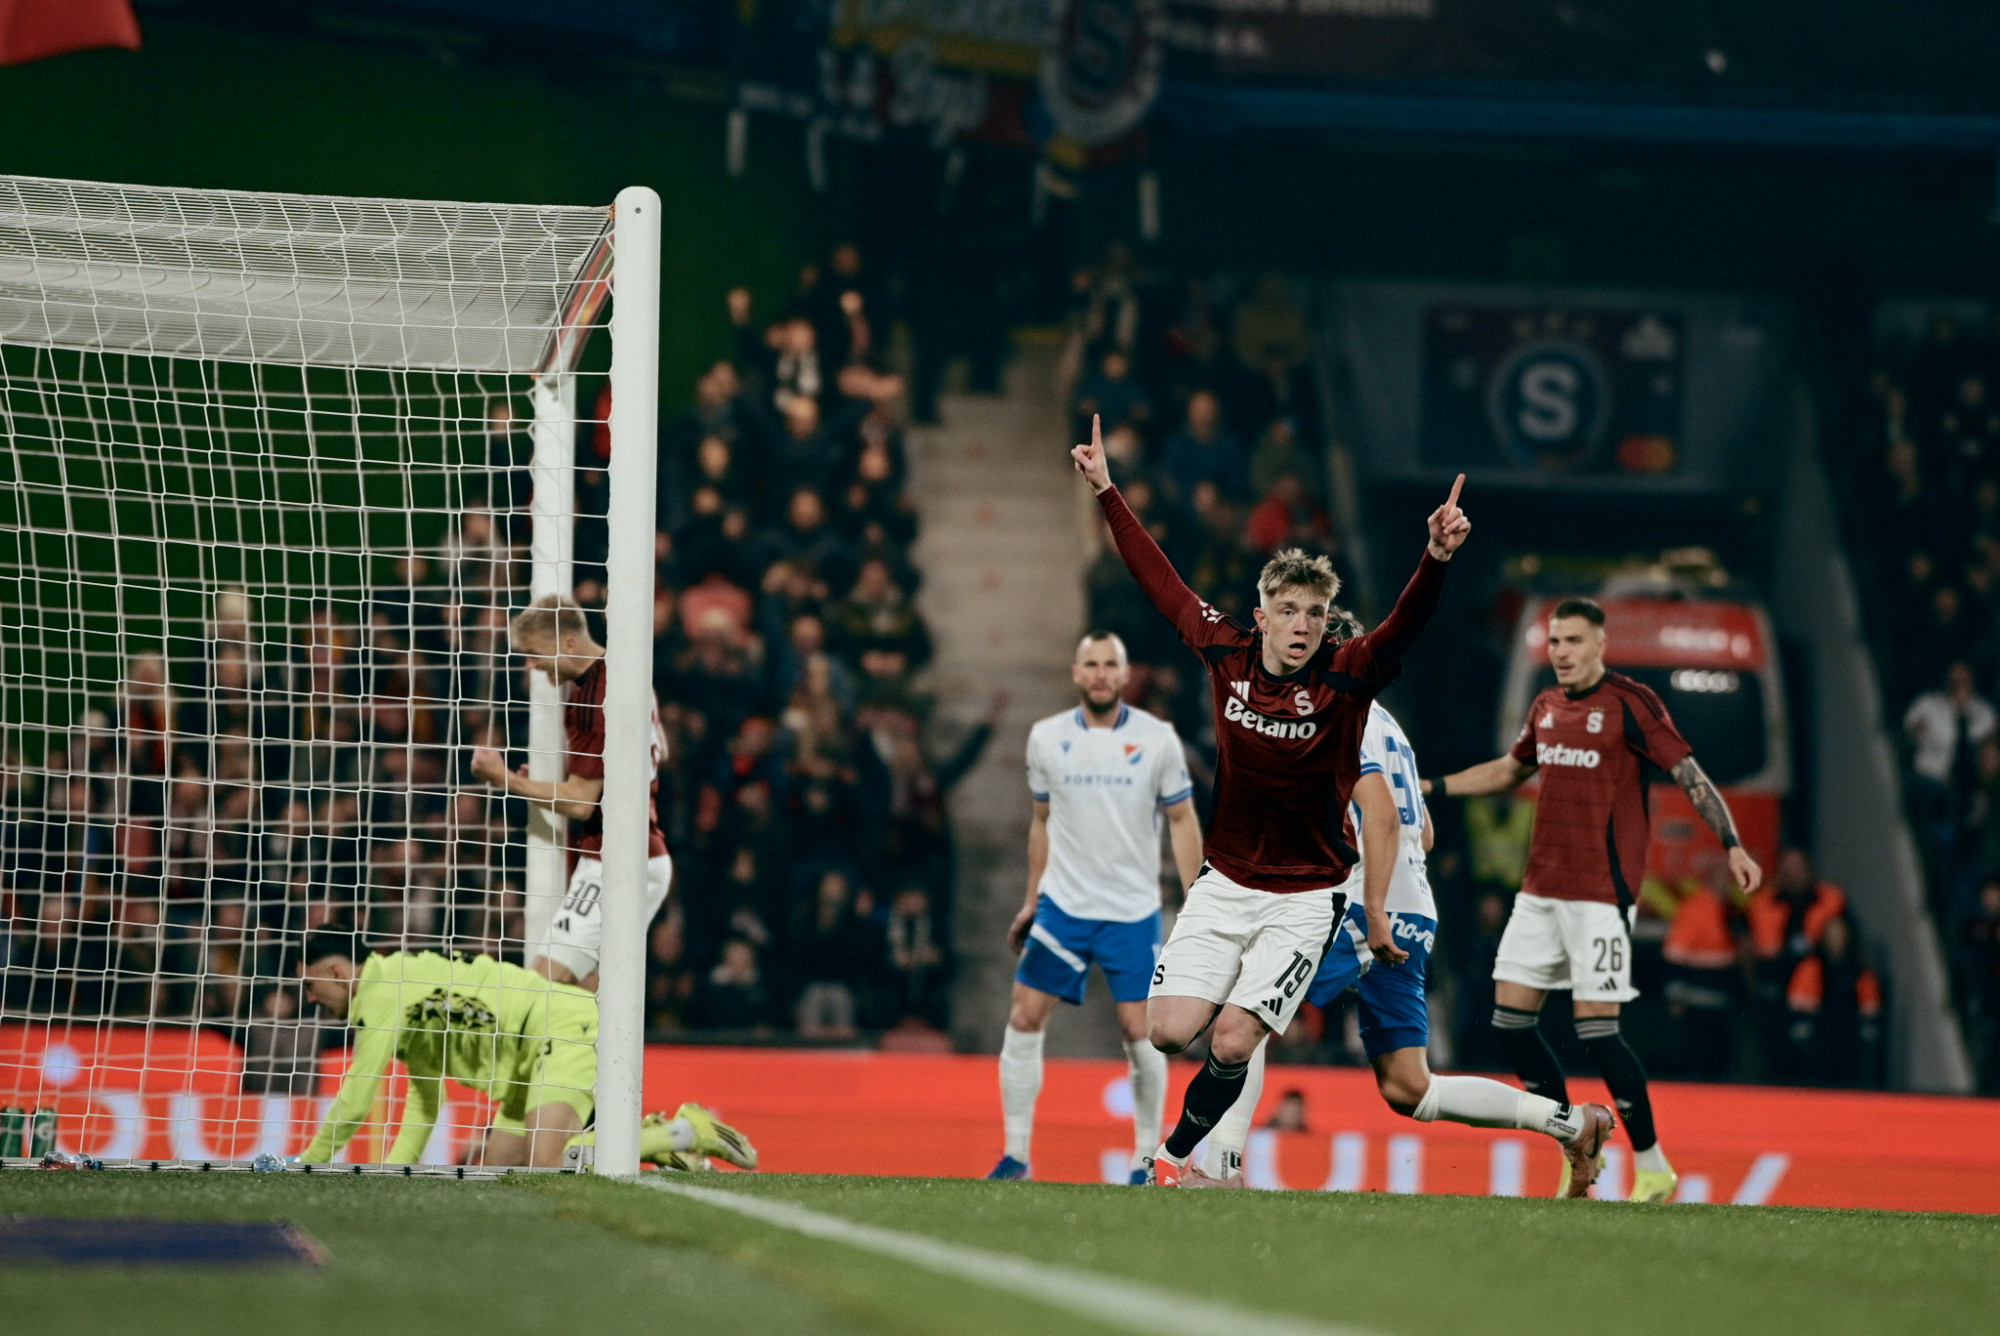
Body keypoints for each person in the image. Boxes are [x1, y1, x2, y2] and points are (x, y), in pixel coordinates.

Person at [1069, 413, 1469, 1187]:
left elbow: (1402, 627)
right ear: (1262, 614)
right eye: (1288, 610)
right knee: (1166, 1031)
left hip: (1305, 900)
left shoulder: (1347, 676)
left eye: (1315, 614)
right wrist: (1108, 493)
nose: (1302, 626)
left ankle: (1171, 1159)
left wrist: (1436, 558)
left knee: (1230, 1043)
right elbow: (1161, 583)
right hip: (1225, 886)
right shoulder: (1226, 652)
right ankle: (1189, 1143)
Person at [1200, 686, 1613, 1193]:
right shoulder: (1390, 726)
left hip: (1363, 903)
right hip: (1414, 908)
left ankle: (1220, 1166)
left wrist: (1367, 901)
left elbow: (1385, 818)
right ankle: (1574, 1123)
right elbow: (1426, 834)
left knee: (1249, 1005)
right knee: (1409, 1087)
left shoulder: (1332, 714)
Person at [1422, 597, 1762, 1202]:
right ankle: (1574, 1139)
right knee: (1510, 1024)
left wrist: (1732, 844)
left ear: (1599, 646)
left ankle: (1654, 1164)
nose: (1561, 653)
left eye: (1573, 641)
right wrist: (1434, 786)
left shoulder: (1632, 705)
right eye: (1554, 643)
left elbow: (1690, 775)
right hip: (1539, 892)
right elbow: (1509, 769)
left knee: (1598, 1032)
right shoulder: (1546, 707)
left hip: (1600, 898)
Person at [987, 631, 1203, 1184]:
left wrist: (1197, 903)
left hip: (1132, 911)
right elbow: (1041, 823)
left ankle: (1143, 1159)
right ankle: (1015, 1155)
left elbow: (1181, 821)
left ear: (1125, 674)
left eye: (1112, 664)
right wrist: (1032, 898)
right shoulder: (1047, 738)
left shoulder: (1157, 740)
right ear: (1077, 673)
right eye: (1093, 664)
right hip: (1064, 906)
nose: (1103, 673)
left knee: (1142, 1031)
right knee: (1024, 1015)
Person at [294, 931, 753, 1170]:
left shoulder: (383, 991)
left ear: (337, 970)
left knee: (544, 1163)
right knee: (500, 1173)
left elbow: (357, 1095)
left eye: (311, 985)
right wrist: (396, 1170)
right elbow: (424, 1097)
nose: (310, 997)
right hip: (524, 1063)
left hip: (558, 1024)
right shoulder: (406, 997)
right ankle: (654, 1140)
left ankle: (681, 1133)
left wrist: (309, 1162)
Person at [470, 594, 671, 992]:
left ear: (569, 644)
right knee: (587, 993)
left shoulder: (592, 696)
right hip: (640, 854)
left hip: (613, 861)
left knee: (543, 990)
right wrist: (547, 783)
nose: (530, 665)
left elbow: (580, 802)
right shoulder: (626, 672)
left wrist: (504, 779)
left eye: (534, 653)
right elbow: (641, 758)